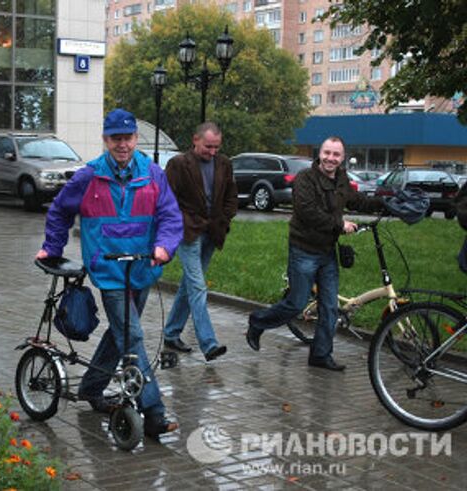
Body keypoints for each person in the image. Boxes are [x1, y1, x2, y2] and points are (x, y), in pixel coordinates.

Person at [36, 108, 183, 439]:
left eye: (128, 138)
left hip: (143, 267)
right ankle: (154, 412)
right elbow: (60, 210)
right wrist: (52, 247)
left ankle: (90, 387)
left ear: (135, 139)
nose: (122, 145)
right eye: (115, 139)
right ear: (105, 140)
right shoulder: (89, 176)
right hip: (108, 270)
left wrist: (164, 246)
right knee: (133, 337)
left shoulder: (152, 173)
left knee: (121, 334)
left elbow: (171, 217)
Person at [245, 136, 384, 371]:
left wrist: (384, 203)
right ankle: (258, 322)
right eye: (327, 153)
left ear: (341, 157)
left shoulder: (341, 178)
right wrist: (340, 224)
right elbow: (309, 212)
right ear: (320, 154)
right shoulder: (305, 179)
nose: (331, 158)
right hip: (303, 250)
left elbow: (355, 200)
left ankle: (320, 355)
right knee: (296, 303)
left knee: (329, 306)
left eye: (336, 154)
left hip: (327, 251)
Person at [162, 122, 237, 361]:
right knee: (197, 286)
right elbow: (167, 200)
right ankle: (209, 343)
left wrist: (224, 218)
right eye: (208, 147)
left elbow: (231, 196)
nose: (212, 152)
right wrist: (182, 222)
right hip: (188, 233)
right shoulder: (177, 164)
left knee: (189, 284)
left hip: (212, 232)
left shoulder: (224, 164)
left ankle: (172, 332)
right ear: (195, 139)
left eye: (216, 147)